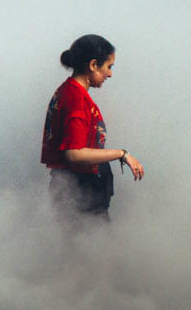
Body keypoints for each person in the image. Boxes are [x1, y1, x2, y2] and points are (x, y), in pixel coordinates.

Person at [41, 34, 144, 219]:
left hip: (72, 194)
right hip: (80, 197)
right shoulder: (76, 100)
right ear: (93, 65)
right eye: (108, 67)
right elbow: (75, 153)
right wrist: (122, 154)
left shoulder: (67, 91)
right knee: (90, 246)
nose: (110, 74)